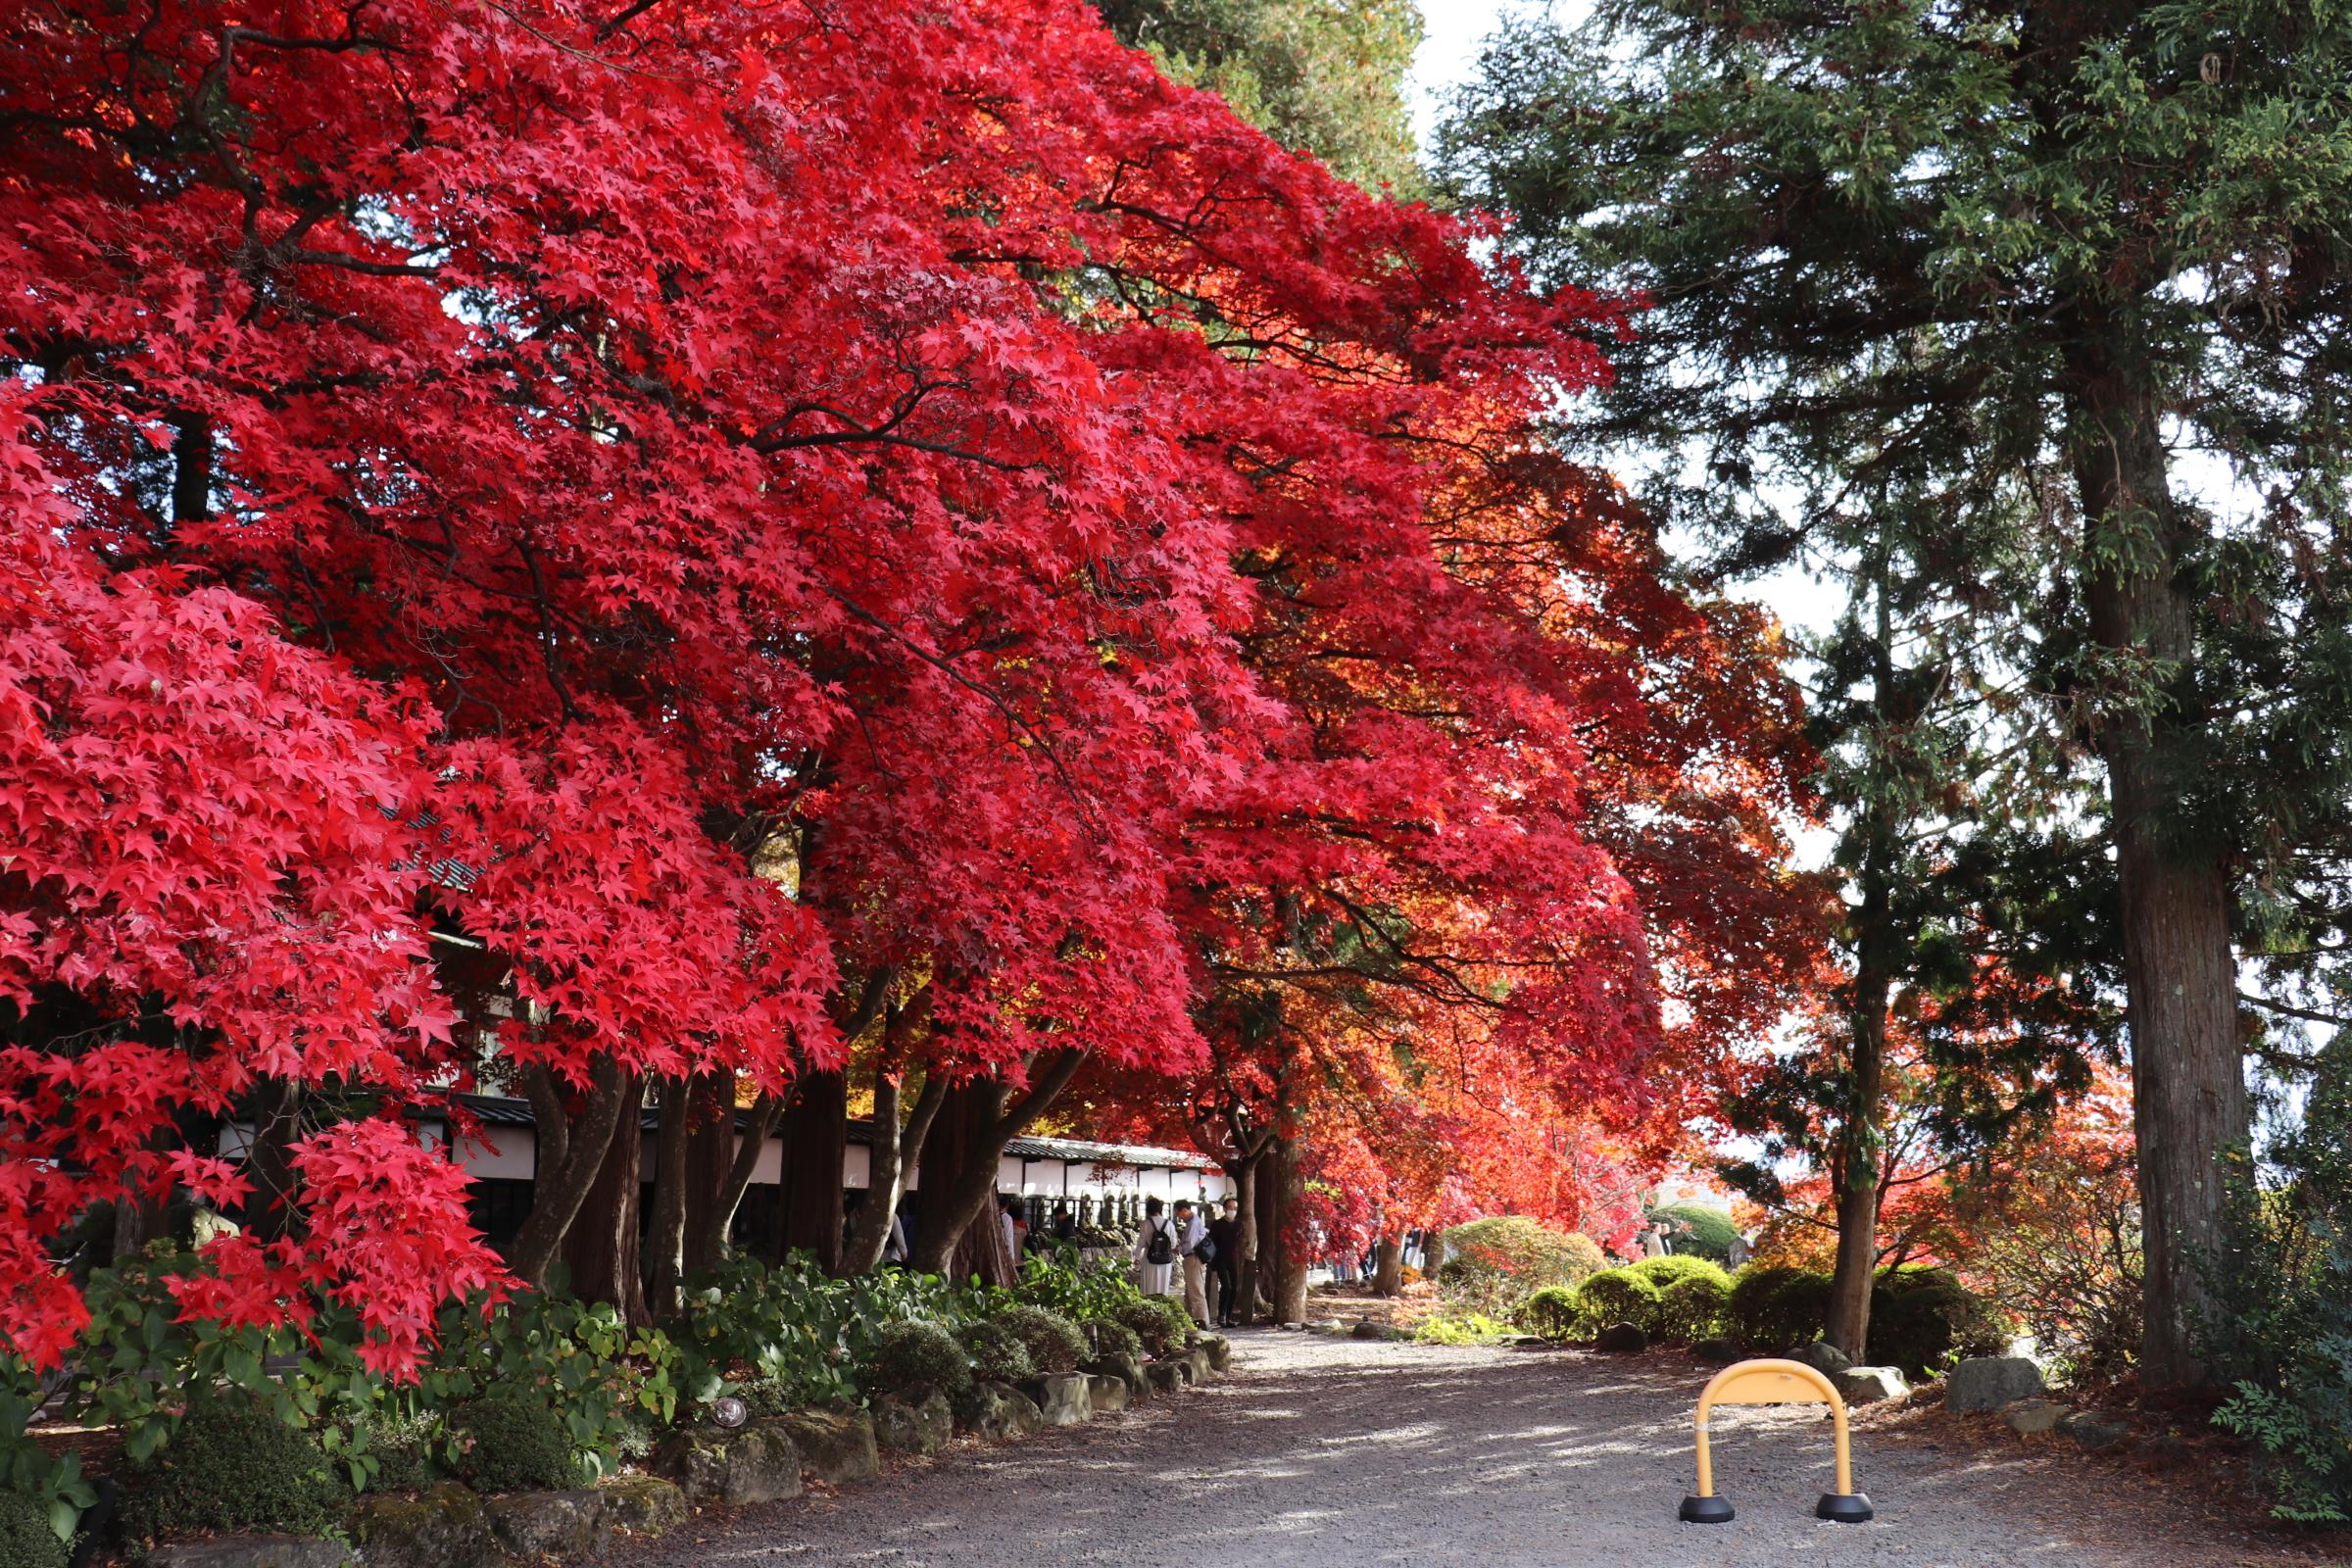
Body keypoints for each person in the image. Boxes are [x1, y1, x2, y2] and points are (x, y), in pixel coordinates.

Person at [1133, 1195, 1179, 1298]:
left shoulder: (1145, 1224)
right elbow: (1173, 1244)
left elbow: (1141, 1243)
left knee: (1149, 1287)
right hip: (1165, 1259)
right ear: (1160, 1209)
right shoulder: (1169, 1224)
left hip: (1150, 1258)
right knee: (1162, 1287)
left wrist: (1136, 1257)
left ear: (1148, 1209)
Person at [1205, 1197, 1242, 1327]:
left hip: (1234, 1259)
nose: (1232, 1210)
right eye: (1230, 1208)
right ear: (1225, 1208)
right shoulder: (1218, 1224)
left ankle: (1228, 1316)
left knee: (1234, 1288)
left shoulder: (1238, 1224)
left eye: (1235, 1208)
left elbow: (1240, 1241)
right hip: (1220, 1259)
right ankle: (1221, 1314)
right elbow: (1210, 1242)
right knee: (1226, 1286)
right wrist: (1211, 1261)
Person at [1175, 1200, 1210, 1325]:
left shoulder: (1193, 1223)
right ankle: (1191, 1319)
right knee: (1190, 1292)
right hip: (1192, 1258)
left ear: (1184, 1210)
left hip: (1193, 1257)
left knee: (1196, 1291)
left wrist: (1178, 1249)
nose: (1178, 1217)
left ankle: (1203, 1321)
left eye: (1178, 1213)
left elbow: (1189, 1243)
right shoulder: (1192, 1221)